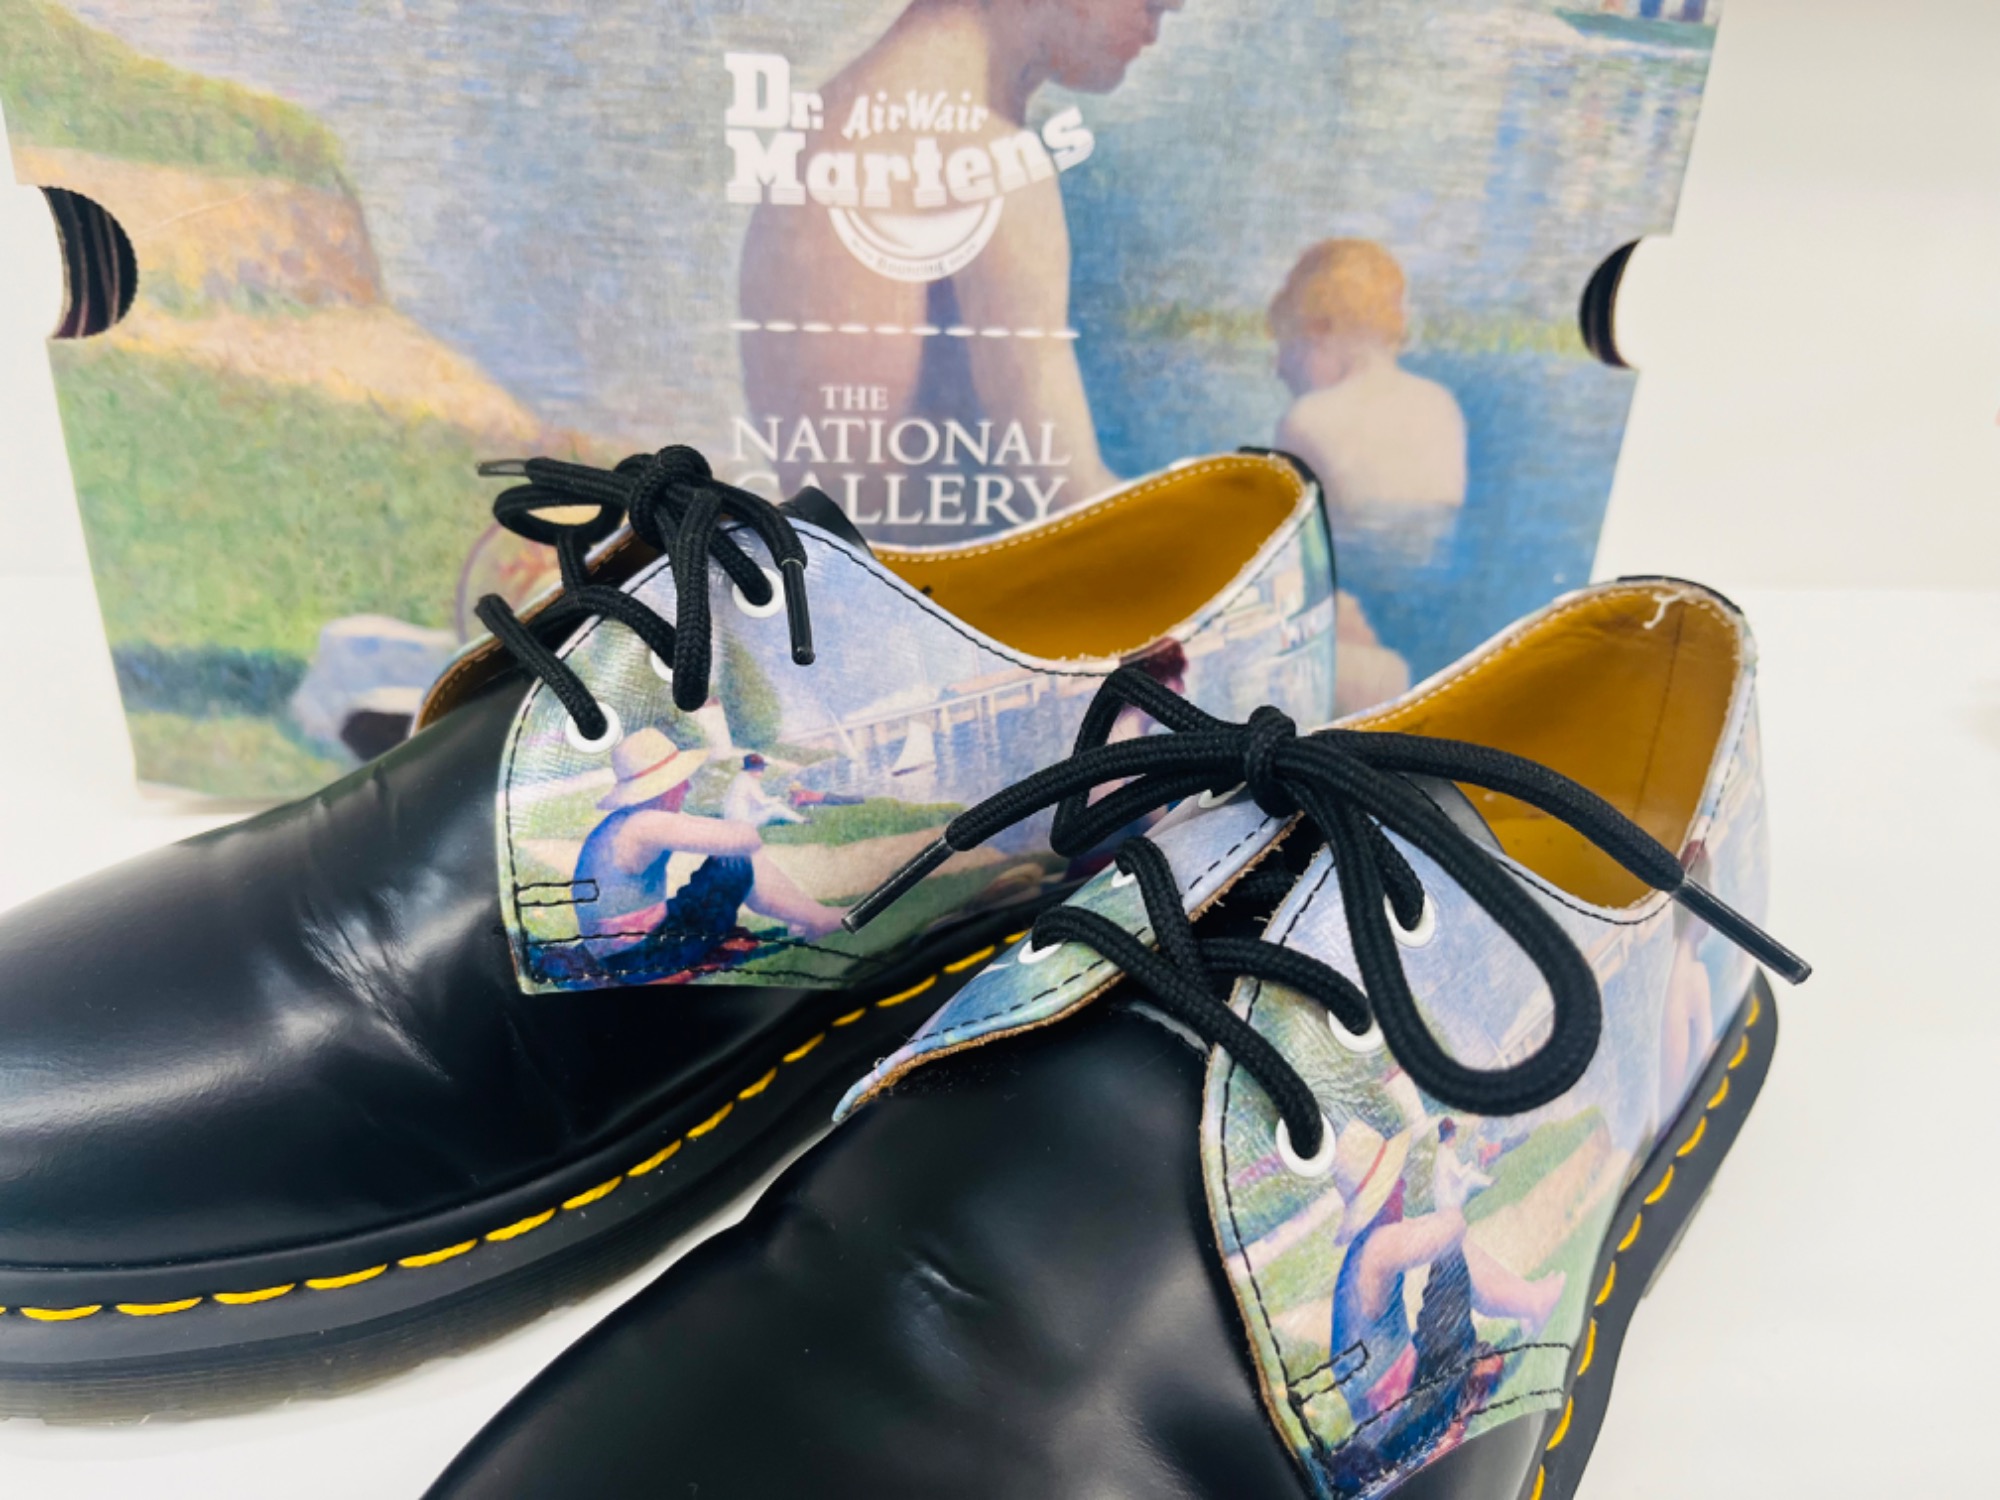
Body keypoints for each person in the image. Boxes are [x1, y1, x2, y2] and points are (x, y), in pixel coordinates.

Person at [738, 0, 1186, 525]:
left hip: (839, 557)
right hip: (938, 570)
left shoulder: (832, 116)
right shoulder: (990, 162)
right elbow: (1070, 497)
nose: (1173, 6)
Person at [574, 728, 845, 977]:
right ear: (663, 786)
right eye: (680, 781)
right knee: (736, 861)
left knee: (731, 857)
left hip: (619, 950)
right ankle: (815, 919)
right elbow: (745, 838)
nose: (687, 787)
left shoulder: (624, 822)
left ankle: (805, 916)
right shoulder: (646, 824)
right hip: (640, 955)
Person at [1269, 239, 1467, 512]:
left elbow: (1289, 530)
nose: (1279, 368)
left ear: (1318, 331)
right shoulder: (1440, 406)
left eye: (1287, 345)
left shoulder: (1306, 422)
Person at [723, 751, 807, 827]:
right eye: (760, 769)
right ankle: (802, 820)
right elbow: (762, 802)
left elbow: (754, 801)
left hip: (732, 817)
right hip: (742, 821)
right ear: (753, 769)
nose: (762, 772)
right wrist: (777, 799)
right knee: (776, 807)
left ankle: (800, 819)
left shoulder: (741, 777)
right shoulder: (749, 781)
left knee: (773, 807)